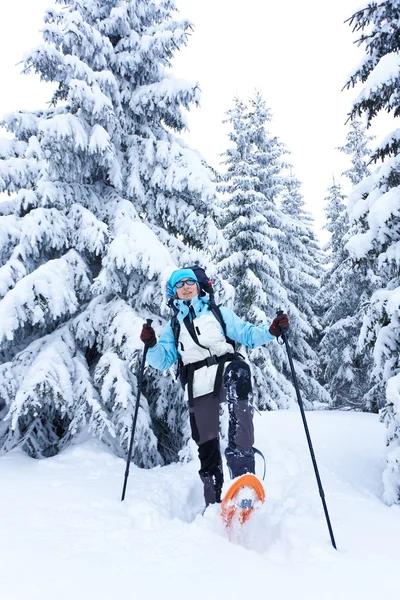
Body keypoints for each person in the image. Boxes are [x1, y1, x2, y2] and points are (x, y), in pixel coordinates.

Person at [140, 268, 289, 507]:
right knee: (206, 445)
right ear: (174, 293)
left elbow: (247, 334)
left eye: (190, 282)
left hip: (225, 372)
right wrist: (152, 345)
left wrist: (271, 331)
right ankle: (213, 502)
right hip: (196, 383)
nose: (186, 287)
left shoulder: (218, 313)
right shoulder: (174, 327)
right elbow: (162, 360)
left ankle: (241, 470)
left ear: (199, 286)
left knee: (239, 373)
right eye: (180, 285)